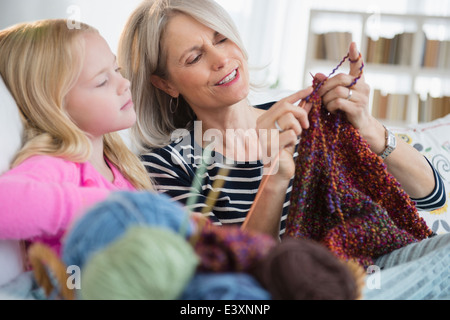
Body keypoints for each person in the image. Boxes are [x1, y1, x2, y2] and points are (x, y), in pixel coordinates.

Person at [119, 0, 449, 300]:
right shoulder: (167, 165)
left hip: (376, 268)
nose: (221, 59)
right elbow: (226, 282)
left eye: (221, 39)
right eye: (194, 57)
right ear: (165, 83)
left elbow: (432, 196)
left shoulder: (305, 118)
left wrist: (369, 129)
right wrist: (274, 180)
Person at [0, 19, 153, 257]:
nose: (125, 83)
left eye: (117, 70)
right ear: (55, 106)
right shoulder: (60, 165)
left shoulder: (119, 165)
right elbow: (5, 204)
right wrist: (108, 205)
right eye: (102, 81)